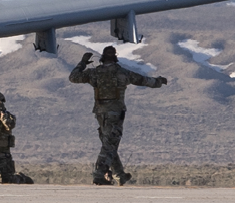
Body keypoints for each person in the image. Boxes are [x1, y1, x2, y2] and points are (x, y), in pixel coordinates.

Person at [69, 46, 168, 186]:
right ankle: (99, 174)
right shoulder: (122, 73)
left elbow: (73, 77)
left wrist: (82, 63)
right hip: (115, 114)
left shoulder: (94, 73)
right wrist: (159, 81)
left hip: (100, 113)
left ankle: (119, 174)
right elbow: (144, 81)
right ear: (115, 57)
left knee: (108, 143)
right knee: (110, 144)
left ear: (102, 57)